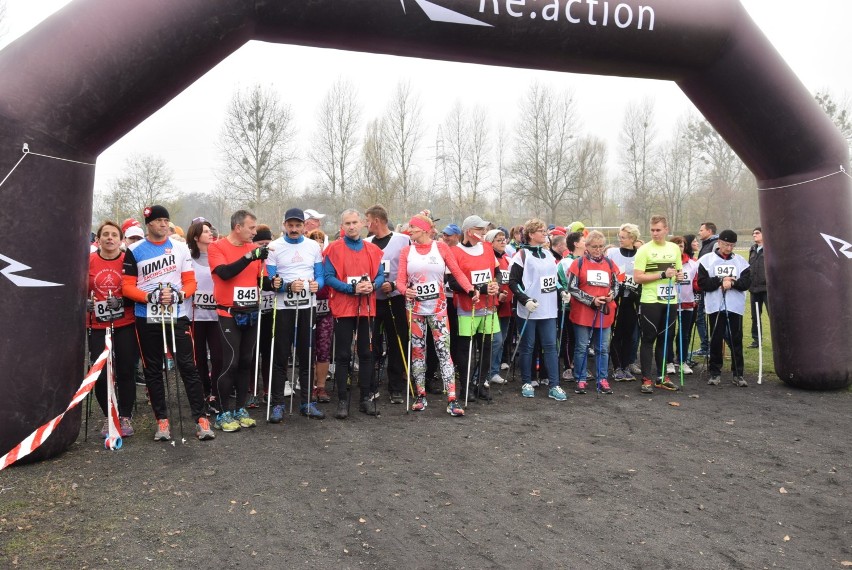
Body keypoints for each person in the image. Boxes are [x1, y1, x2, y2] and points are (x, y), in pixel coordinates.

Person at [122, 205, 214, 441]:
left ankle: (201, 418)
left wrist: (179, 295)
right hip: (146, 315)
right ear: (149, 224)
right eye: (159, 220)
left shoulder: (180, 248)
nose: (163, 224)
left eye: (166, 220)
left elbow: (190, 282)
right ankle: (162, 420)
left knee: (187, 366)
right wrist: (149, 296)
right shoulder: (134, 250)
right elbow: (127, 286)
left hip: (176, 313)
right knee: (153, 369)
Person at [397, 214, 476, 416]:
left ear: (424, 229)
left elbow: (457, 272)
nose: (410, 230)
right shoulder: (407, 250)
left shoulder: (440, 248)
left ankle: (451, 397)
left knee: (443, 351)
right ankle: (420, 395)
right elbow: (400, 281)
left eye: (413, 227)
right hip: (414, 309)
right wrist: (406, 290)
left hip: (438, 308)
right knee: (417, 351)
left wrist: (470, 290)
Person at [207, 210, 270, 432]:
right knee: (230, 362)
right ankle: (223, 413)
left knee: (246, 362)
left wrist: (279, 283)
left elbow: (262, 280)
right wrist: (248, 258)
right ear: (238, 227)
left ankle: (240, 409)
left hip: (252, 311)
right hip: (228, 313)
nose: (255, 232)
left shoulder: (253, 250)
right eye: (251, 228)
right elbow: (224, 273)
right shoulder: (217, 247)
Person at [323, 209, 386, 419]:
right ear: (342, 226)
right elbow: (329, 277)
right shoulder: (333, 248)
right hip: (343, 308)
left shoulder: (373, 249)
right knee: (342, 355)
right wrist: (352, 289)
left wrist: (372, 285)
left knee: (367, 354)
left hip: (367, 308)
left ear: (362, 224)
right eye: (347, 223)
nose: (351, 226)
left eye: (355, 222)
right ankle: (342, 400)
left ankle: (365, 398)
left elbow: (380, 275)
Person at [266, 208, 325, 423]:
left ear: (303, 226)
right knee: (281, 356)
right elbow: (272, 280)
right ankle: (278, 403)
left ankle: (307, 402)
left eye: (297, 225)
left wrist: (318, 284)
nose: (294, 229)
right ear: (284, 225)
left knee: (307, 354)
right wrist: (288, 286)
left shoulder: (312, 246)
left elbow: (319, 275)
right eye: (290, 225)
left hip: (307, 306)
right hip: (283, 309)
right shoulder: (274, 246)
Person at [87, 221, 138, 438]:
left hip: (125, 323)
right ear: (98, 239)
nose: (110, 238)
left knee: (126, 370)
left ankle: (124, 416)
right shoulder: (88, 261)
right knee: (100, 373)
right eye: (105, 234)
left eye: (114, 235)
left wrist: (123, 302)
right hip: (97, 325)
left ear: (121, 239)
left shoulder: (128, 259)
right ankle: (109, 416)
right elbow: (76, 287)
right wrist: (83, 303)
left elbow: (137, 287)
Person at [509, 218, 568, 402]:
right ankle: (527, 382)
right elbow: (513, 282)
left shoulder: (548, 254)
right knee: (528, 346)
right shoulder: (522, 255)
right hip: (529, 309)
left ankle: (554, 384)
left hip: (549, 308)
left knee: (551, 346)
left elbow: (553, 279)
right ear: (531, 234)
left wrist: (562, 290)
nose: (545, 233)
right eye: (541, 231)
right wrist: (524, 300)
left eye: (545, 230)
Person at [448, 215, 501, 402]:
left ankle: (480, 383)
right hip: (466, 307)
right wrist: (480, 288)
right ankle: (466, 386)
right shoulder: (455, 251)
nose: (484, 233)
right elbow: (452, 282)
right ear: (469, 232)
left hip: (488, 307)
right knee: (466, 349)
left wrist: (496, 285)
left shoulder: (487, 248)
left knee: (487, 347)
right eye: (480, 230)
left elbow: (497, 272)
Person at [364, 204, 411, 405]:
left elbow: (410, 268)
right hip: (372, 300)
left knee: (397, 341)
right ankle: (370, 385)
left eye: (367, 220)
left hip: (395, 298)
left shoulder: (402, 240)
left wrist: (392, 284)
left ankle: (395, 387)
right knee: (371, 343)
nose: (366, 225)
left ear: (376, 221)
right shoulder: (366, 242)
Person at [632, 215, 682, 394]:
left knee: (666, 339)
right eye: (652, 230)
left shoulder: (674, 248)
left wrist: (679, 276)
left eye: (658, 230)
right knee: (648, 339)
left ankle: (662, 378)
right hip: (650, 301)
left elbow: (677, 273)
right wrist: (661, 275)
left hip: (670, 300)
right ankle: (646, 379)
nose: (655, 233)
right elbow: (638, 277)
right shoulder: (644, 250)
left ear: (666, 230)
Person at [566, 230, 619, 395]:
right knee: (582, 347)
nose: (598, 250)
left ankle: (602, 378)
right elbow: (572, 288)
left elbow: (616, 285)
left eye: (601, 246)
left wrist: (611, 295)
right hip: (583, 312)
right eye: (594, 246)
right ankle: (580, 378)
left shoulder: (610, 264)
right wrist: (591, 300)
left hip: (604, 311)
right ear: (587, 247)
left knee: (602, 347)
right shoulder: (578, 263)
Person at [697, 229, 752, 387]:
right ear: (719, 243)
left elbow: (746, 283)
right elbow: (703, 284)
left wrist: (733, 283)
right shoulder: (707, 260)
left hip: (735, 306)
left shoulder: (741, 261)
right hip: (715, 305)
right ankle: (715, 372)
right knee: (715, 338)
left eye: (732, 245)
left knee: (736, 339)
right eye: (726, 244)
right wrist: (721, 280)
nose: (729, 248)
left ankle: (738, 373)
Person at [185, 220, 223, 415]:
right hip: (195, 315)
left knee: (218, 357)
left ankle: (215, 394)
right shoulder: (188, 258)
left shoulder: (218, 255)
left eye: (211, 230)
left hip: (216, 315)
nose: (210, 234)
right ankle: (203, 392)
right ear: (195, 236)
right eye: (205, 231)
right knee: (198, 358)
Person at [607, 223, 641, 382]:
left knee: (629, 334)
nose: (620, 239)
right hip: (615, 299)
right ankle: (617, 366)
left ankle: (626, 365)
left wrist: (636, 289)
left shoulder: (640, 254)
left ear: (632, 238)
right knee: (616, 334)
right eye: (619, 237)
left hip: (632, 300)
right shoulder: (613, 253)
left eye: (623, 237)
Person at [307, 229, 333, 403]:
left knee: (323, 349)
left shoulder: (329, 261)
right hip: (306, 309)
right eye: (314, 240)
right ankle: (308, 386)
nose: (318, 243)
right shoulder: (306, 261)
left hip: (326, 311)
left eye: (321, 240)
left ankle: (321, 386)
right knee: (307, 349)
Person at [484, 228, 512, 385]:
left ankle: (494, 371)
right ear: (491, 242)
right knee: (495, 340)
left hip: (506, 305)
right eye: (499, 240)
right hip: (492, 304)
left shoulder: (507, 259)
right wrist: (498, 293)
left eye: (504, 239)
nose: (503, 242)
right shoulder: (488, 258)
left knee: (502, 340)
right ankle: (485, 372)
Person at [668, 236, 697, 376]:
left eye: (681, 245)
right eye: (676, 245)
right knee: (669, 333)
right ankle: (668, 361)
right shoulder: (666, 263)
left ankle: (682, 360)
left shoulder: (692, 264)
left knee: (684, 334)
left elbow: (696, 283)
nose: (679, 248)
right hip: (670, 302)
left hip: (687, 302)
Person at [693, 221, 718, 357]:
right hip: (703, 286)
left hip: (710, 288)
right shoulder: (706, 245)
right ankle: (706, 347)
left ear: (709, 231)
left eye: (701, 230)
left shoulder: (714, 245)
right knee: (700, 317)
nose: (699, 232)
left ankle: (710, 347)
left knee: (709, 318)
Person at [748, 227, 767, 348]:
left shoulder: (771, 248)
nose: (754, 235)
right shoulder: (752, 249)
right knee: (755, 316)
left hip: (767, 288)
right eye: (753, 233)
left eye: (757, 233)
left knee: (773, 315)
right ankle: (756, 340)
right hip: (754, 288)